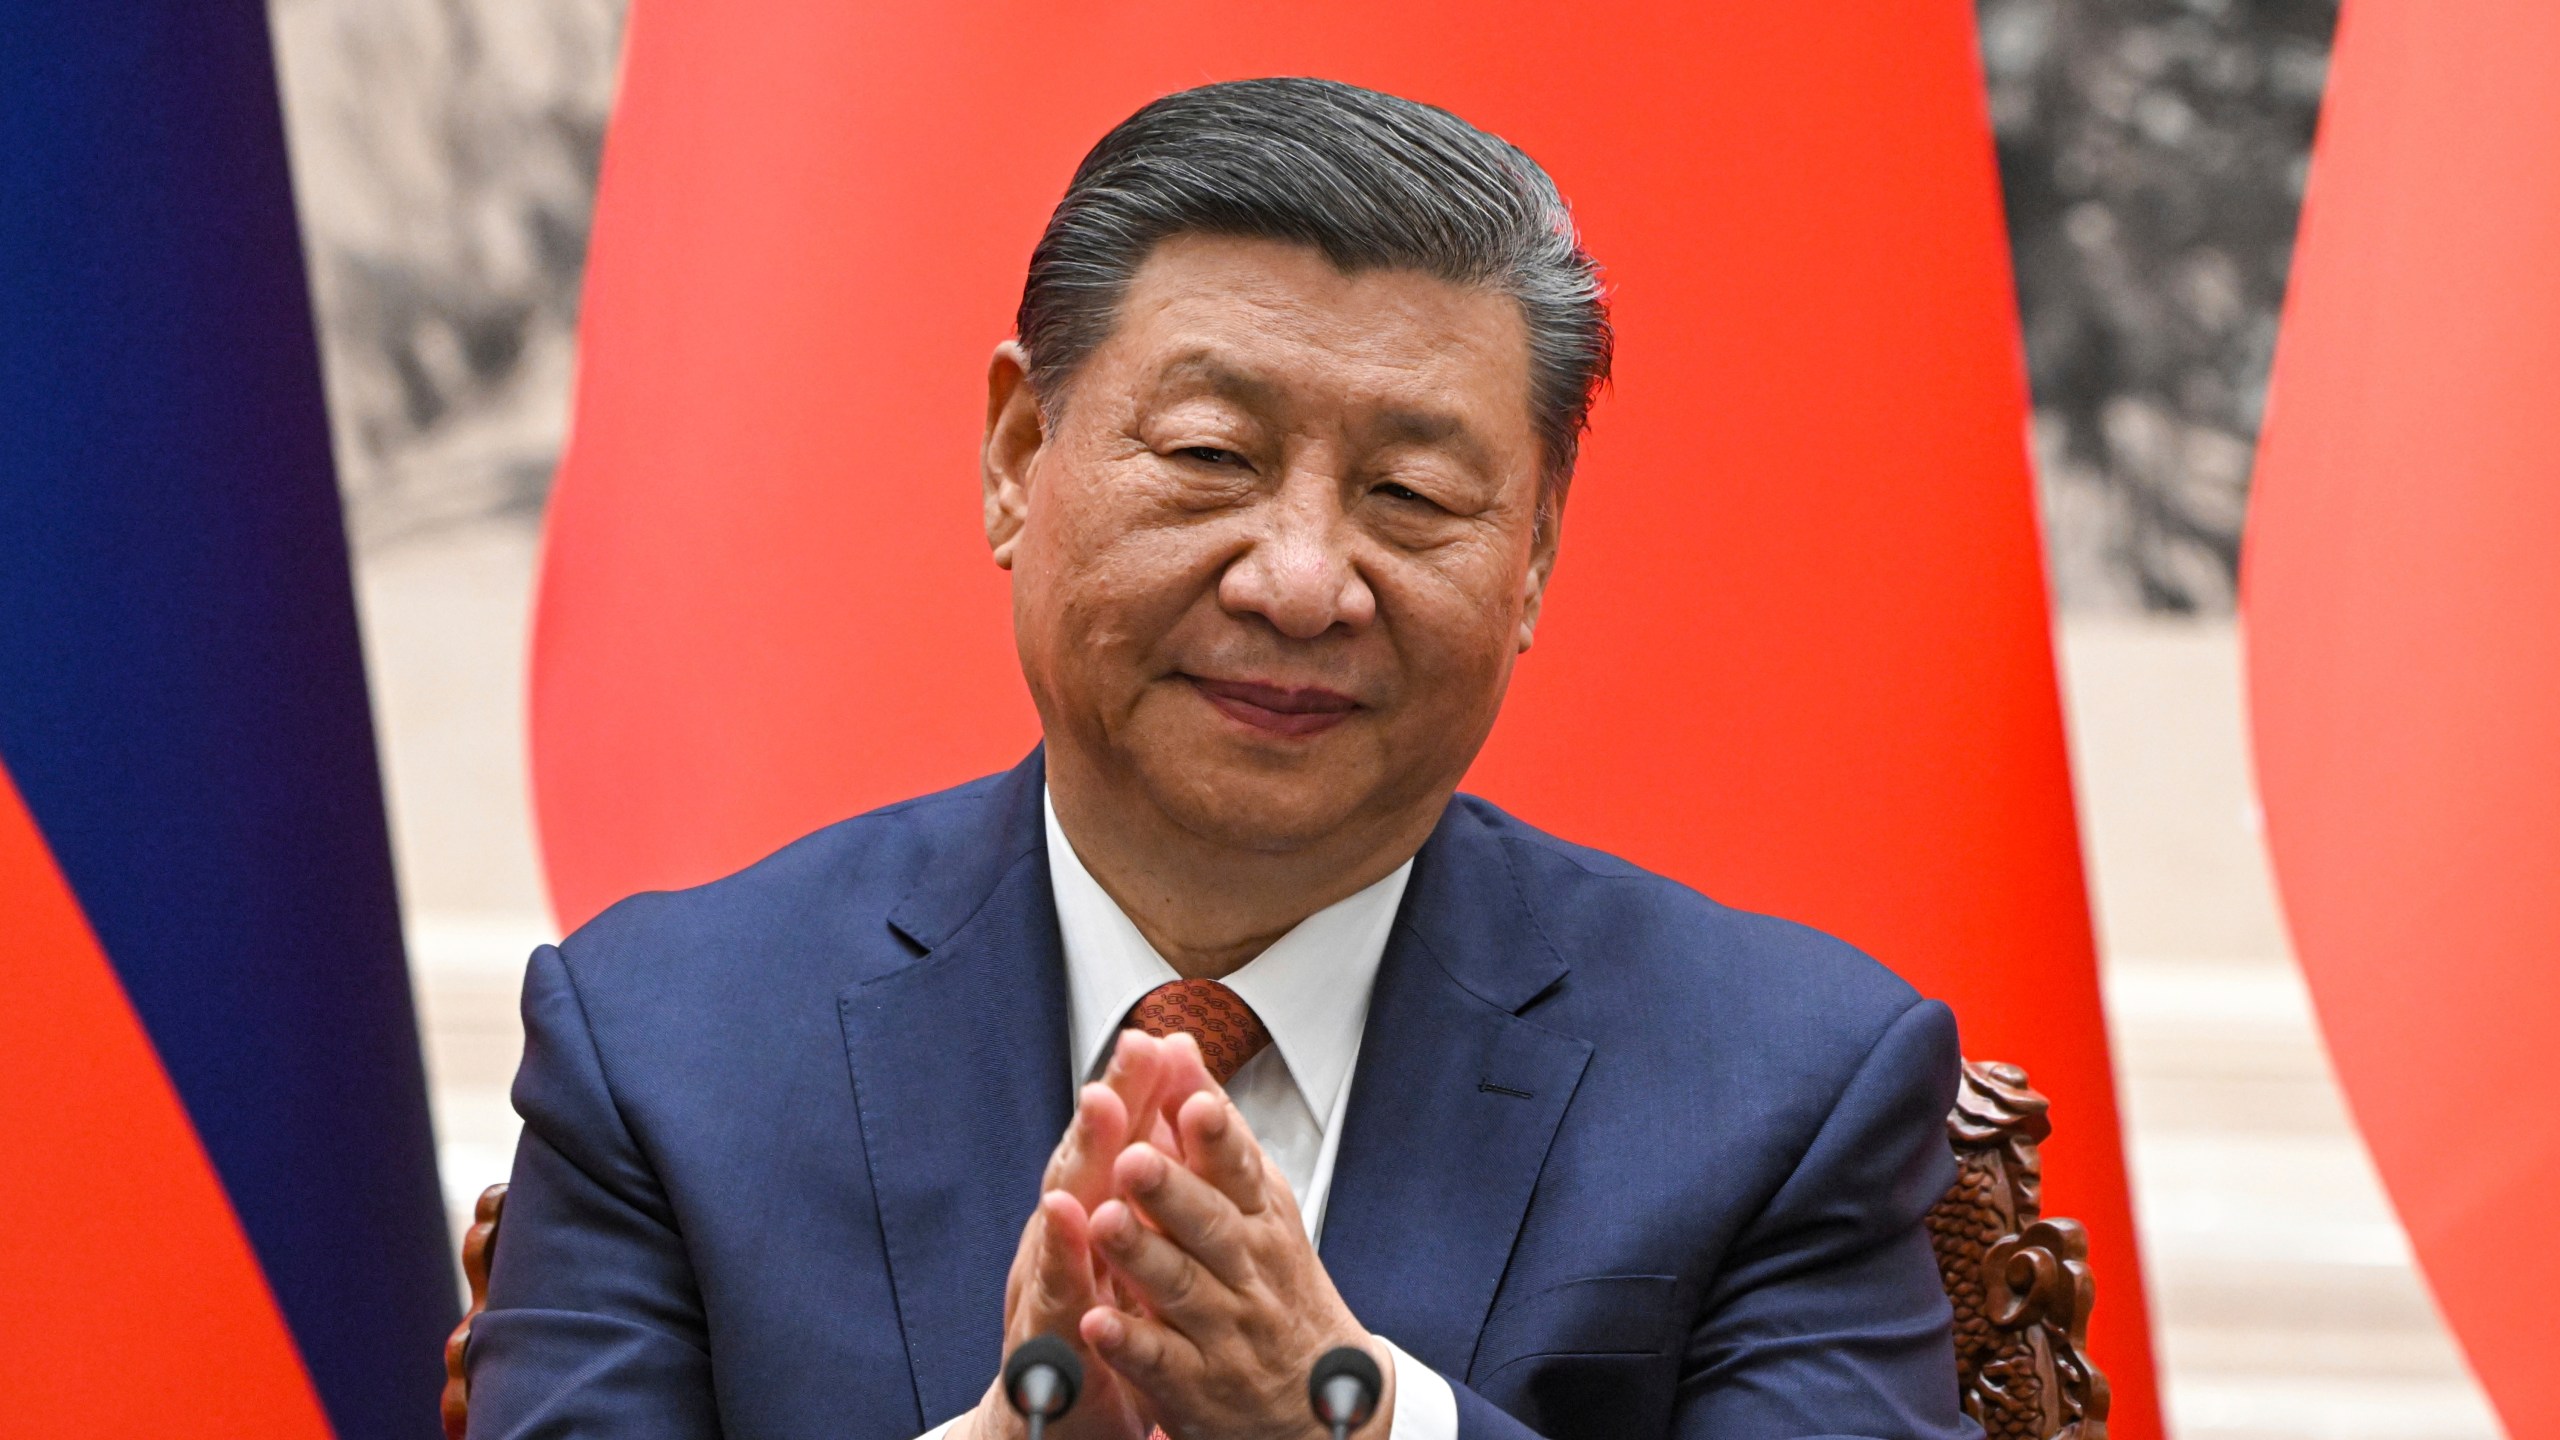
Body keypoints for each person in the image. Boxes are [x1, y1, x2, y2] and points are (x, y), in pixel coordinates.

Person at [464, 77, 1974, 1440]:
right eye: (1209, 460)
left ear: (1535, 559)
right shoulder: (668, 1047)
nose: (1302, 580)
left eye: (1411, 492)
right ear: (1017, 459)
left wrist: (1358, 1424)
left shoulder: (1786, 1091)